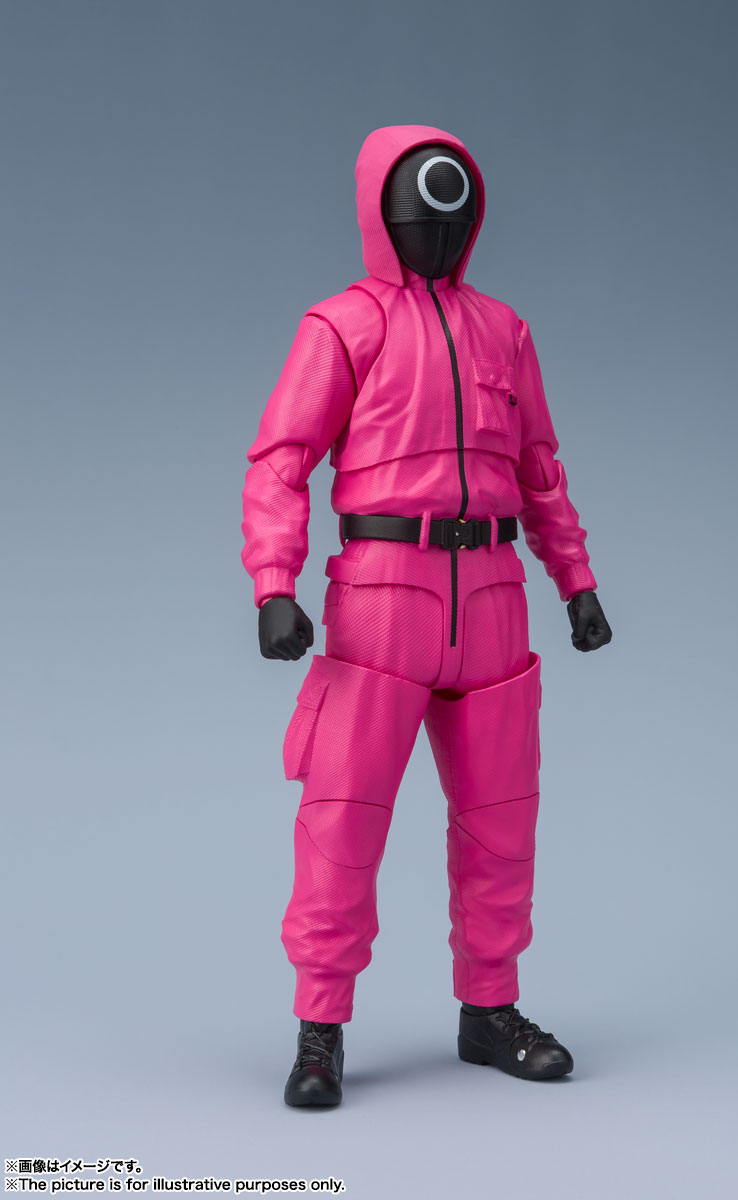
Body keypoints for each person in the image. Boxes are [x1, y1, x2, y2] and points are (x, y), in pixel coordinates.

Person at [241, 124, 612, 1108]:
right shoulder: (341, 326)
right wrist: (273, 585)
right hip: (380, 601)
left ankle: (489, 1009)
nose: (437, 230)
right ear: (381, 214)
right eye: (418, 211)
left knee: (501, 822)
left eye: (453, 212)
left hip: (492, 597)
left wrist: (574, 580)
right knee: (342, 819)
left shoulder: (503, 331)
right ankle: (319, 1027)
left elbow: (538, 469)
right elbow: (281, 460)